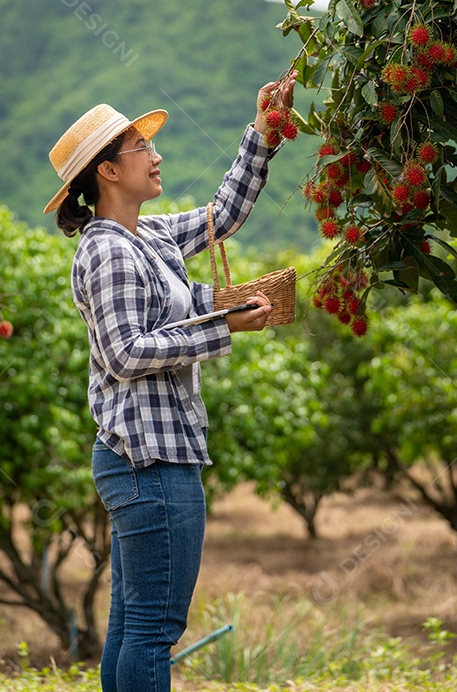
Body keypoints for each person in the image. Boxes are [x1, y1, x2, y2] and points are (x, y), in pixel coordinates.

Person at [44, 73, 296, 692]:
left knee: (134, 623)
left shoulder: (146, 236)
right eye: (141, 150)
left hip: (154, 457)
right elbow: (124, 353)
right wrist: (221, 329)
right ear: (106, 171)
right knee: (154, 628)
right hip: (147, 461)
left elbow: (223, 214)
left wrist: (263, 132)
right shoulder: (106, 251)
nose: (157, 157)